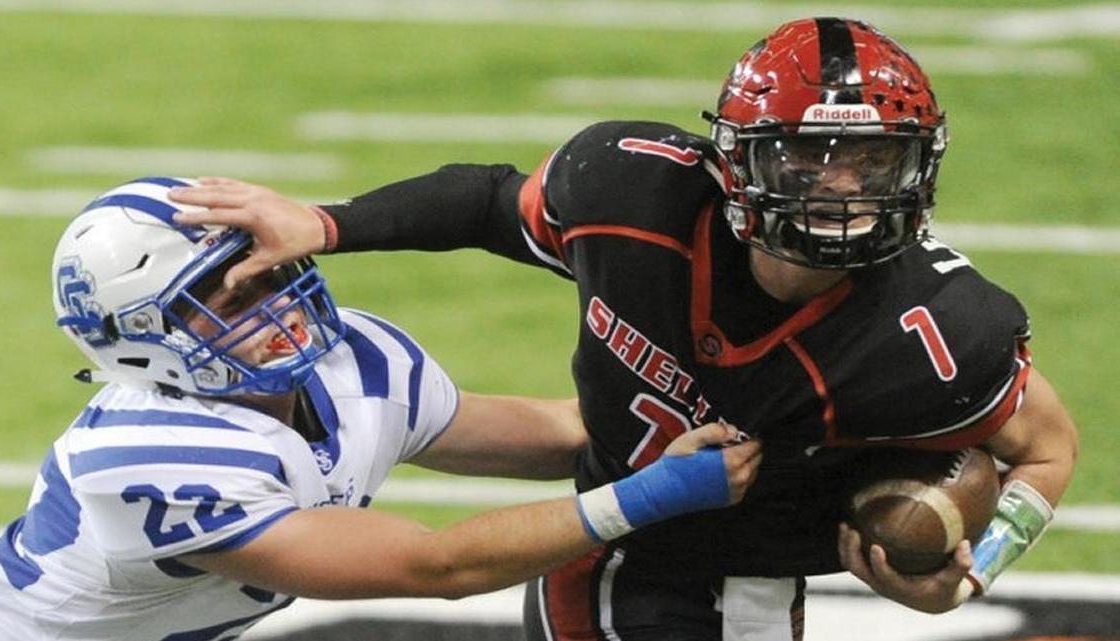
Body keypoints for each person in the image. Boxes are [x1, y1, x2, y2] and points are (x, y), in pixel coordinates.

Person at [169, 17, 1078, 641]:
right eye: (806, 158)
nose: (840, 191)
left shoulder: (938, 329)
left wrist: (974, 570)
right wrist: (327, 223)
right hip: (609, 554)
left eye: (872, 161)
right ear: (735, 161)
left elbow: (1047, 448)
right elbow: (487, 202)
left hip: (753, 585)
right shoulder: (631, 195)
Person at [0, 177, 764, 641]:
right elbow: (439, 565)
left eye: (263, 273)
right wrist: (649, 494)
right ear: (137, 342)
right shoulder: (148, 457)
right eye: (226, 300)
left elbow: (560, 433)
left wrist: (717, 401)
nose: (276, 304)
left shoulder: (354, 356)